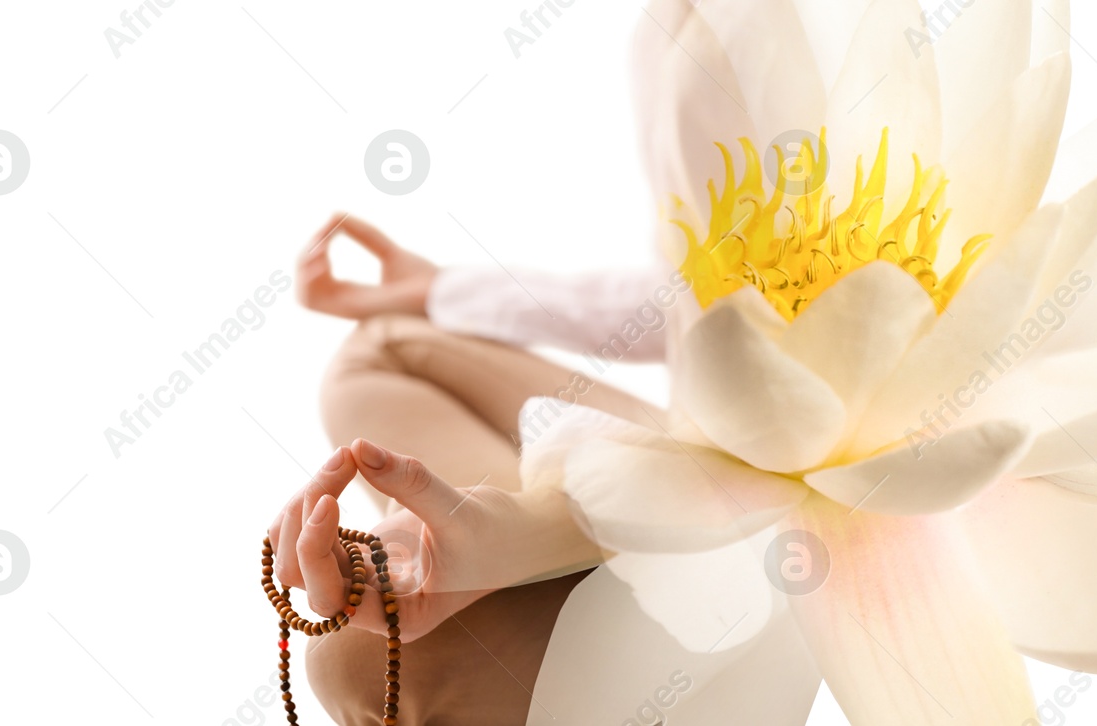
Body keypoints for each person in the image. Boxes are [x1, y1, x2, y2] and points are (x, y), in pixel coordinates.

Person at [267, 213, 820, 725]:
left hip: (777, 526)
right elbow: (682, 300)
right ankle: (507, 538)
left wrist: (535, 525)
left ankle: (520, 540)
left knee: (365, 655)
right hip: (725, 463)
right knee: (378, 347)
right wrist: (438, 291)